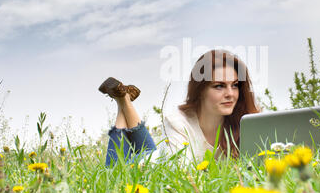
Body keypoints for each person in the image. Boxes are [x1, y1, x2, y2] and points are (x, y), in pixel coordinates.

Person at [100, 49, 261, 167]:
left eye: (234, 85)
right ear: (201, 90)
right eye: (219, 86)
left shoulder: (245, 123)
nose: (230, 94)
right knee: (113, 171)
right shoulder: (178, 122)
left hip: (157, 154)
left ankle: (123, 98)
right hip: (142, 166)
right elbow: (182, 178)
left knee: (151, 151)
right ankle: (122, 100)